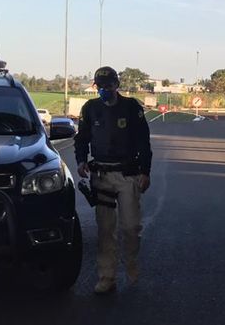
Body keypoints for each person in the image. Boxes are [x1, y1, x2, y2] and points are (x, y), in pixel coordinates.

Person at [74, 66, 152, 294]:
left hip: (128, 175)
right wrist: (81, 161)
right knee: (106, 230)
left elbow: (143, 141)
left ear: (117, 85)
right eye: (100, 86)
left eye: (108, 85)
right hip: (102, 176)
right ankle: (107, 277)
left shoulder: (131, 107)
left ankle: (131, 262)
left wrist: (145, 172)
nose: (104, 90)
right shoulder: (90, 109)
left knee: (131, 227)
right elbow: (81, 139)